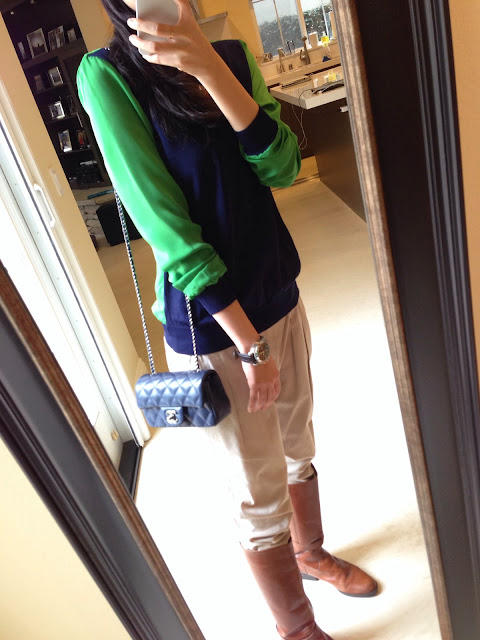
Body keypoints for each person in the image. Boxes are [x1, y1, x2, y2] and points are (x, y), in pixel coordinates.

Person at [77, 1, 378, 638]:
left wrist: (211, 69)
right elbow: (165, 227)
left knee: (297, 444)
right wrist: (248, 345)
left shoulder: (233, 54)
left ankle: (311, 554)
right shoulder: (108, 76)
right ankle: (298, 630)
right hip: (216, 327)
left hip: (279, 292)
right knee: (255, 487)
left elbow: (282, 166)